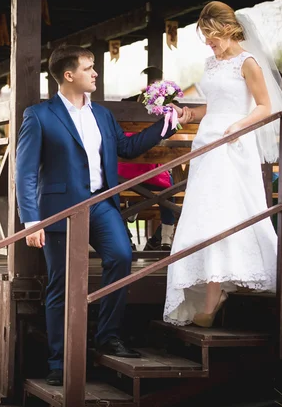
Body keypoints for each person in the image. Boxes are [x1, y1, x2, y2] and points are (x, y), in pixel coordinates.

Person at [15, 44, 191, 386]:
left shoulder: (102, 115)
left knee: (121, 259)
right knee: (60, 285)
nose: (95, 73)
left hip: (103, 204)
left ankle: (108, 336)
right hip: (60, 212)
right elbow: (25, 172)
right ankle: (59, 361)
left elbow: (126, 148)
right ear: (69, 75)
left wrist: (167, 123)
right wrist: (31, 221)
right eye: (88, 67)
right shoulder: (39, 116)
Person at [162, 1, 282, 329]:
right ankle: (208, 289)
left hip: (234, 142)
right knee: (201, 213)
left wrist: (240, 125)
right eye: (204, 34)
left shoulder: (248, 62)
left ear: (227, 28)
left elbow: (265, 106)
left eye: (211, 33)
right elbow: (213, 105)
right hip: (207, 142)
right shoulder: (211, 63)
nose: (208, 40)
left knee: (224, 213)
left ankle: (213, 296)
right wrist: (188, 114)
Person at [119, 66, 177, 251]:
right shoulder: (168, 108)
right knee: (170, 188)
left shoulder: (125, 105)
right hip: (150, 172)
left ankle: (130, 219)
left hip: (125, 173)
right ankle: (166, 238)